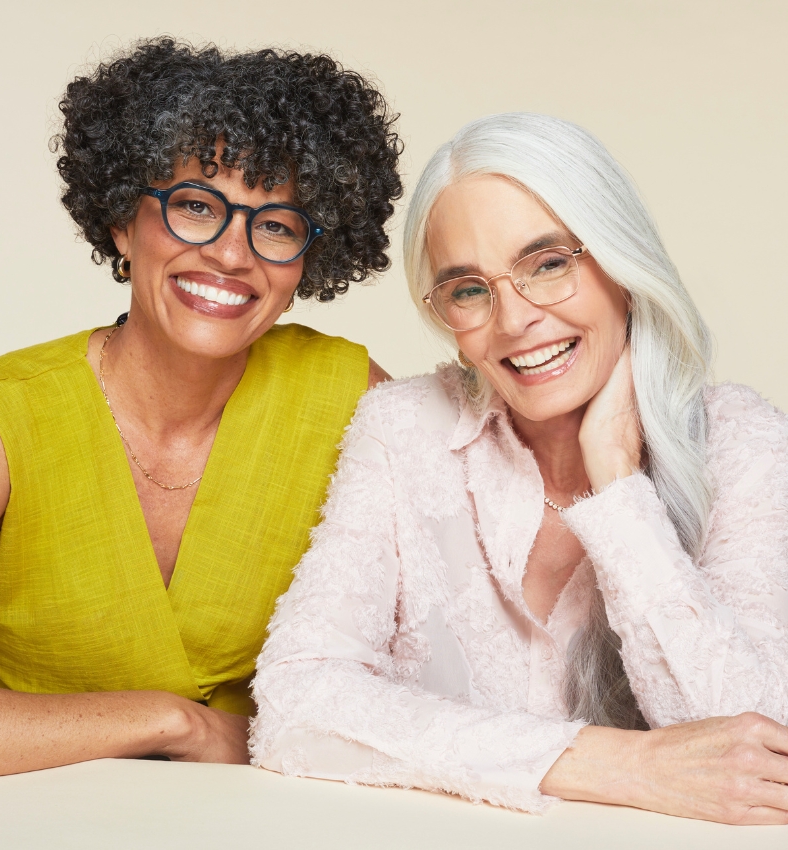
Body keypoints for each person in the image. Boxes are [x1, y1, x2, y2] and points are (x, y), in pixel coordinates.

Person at [251, 113, 788, 825]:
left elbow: (758, 763)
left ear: (623, 265)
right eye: (469, 289)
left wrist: (620, 488)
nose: (513, 320)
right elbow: (293, 707)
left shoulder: (741, 443)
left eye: (547, 264)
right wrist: (615, 763)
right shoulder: (404, 429)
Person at [0, 37, 401, 780]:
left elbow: (437, 662)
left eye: (276, 225)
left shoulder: (350, 397)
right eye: (195, 206)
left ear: (307, 262)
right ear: (123, 222)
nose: (231, 254)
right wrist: (173, 724)